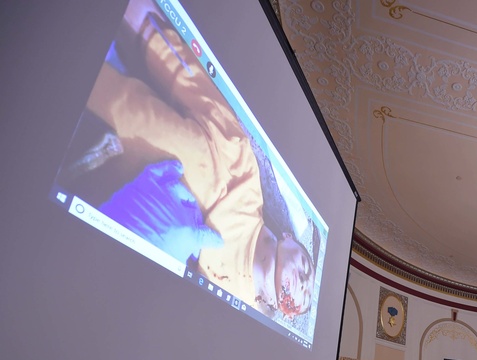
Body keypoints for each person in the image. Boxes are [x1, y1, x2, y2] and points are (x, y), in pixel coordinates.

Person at [81, 2, 316, 319]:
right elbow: (180, 69)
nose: (304, 281)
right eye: (308, 269)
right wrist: (143, 22)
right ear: (288, 238)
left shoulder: (232, 310)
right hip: (91, 82)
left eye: (305, 295)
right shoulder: (242, 165)